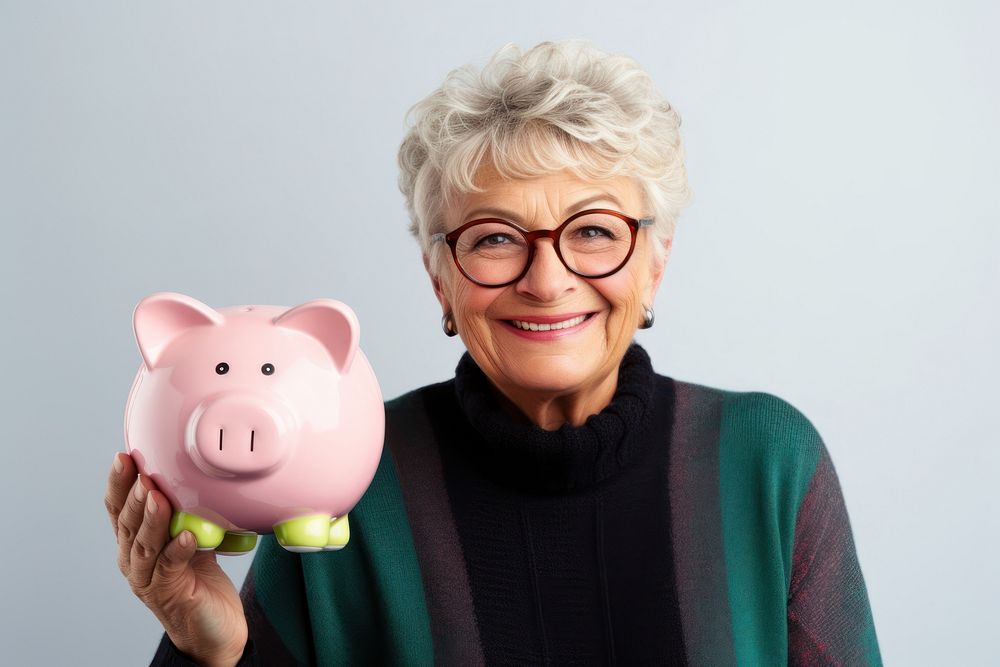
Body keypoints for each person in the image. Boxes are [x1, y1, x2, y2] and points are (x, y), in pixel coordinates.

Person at [105, 40, 882, 666]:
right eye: (497, 239)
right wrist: (211, 651)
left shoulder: (768, 460)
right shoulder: (348, 481)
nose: (548, 282)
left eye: (594, 232)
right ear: (440, 279)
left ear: (656, 262)